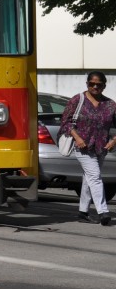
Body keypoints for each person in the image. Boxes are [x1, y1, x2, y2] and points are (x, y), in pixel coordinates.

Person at [61, 72, 116, 225]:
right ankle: (103, 211)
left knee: (88, 178)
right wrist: (77, 138)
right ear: (87, 84)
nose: (95, 87)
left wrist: (114, 141)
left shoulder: (110, 104)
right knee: (95, 177)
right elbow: (65, 123)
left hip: (101, 147)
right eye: (92, 83)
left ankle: (83, 212)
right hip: (82, 147)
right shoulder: (78, 100)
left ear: (104, 85)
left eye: (99, 84)